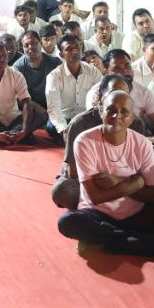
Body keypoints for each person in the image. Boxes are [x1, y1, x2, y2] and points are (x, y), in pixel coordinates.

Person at [58, 91, 154, 257]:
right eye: (110, 110)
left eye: (124, 112)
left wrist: (117, 180)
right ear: (101, 111)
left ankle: (109, 240)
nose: (116, 116)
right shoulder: (85, 141)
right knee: (67, 222)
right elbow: (95, 197)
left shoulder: (142, 144)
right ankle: (130, 241)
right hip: (97, 213)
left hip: (136, 213)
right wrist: (136, 183)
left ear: (132, 117)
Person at [53, 75, 133, 210]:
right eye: (114, 93)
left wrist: (118, 180)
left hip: (118, 179)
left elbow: (137, 170)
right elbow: (74, 170)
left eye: (124, 94)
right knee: (64, 191)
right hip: (87, 179)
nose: (119, 98)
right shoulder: (80, 123)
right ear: (100, 97)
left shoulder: (134, 123)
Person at [0, 42, 49, 150]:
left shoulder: (16, 75)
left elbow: (26, 102)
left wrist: (24, 129)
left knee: (42, 115)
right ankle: (13, 136)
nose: (1, 60)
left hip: (13, 119)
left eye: (4, 55)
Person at [46, 33, 102, 144]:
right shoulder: (54, 76)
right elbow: (54, 108)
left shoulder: (93, 71)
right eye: (69, 49)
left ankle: (76, 137)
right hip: (65, 117)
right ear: (61, 55)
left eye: (77, 47)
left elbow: (101, 97)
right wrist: (63, 129)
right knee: (51, 126)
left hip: (86, 117)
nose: (75, 51)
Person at [13, 30, 63, 113]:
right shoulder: (18, 67)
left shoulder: (55, 62)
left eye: (34, 43)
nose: (31, 47)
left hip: (56, 105)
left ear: (41, 43)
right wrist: (44, 112)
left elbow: (63, 88)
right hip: (32, 109)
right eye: (26, 45)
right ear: (22, 48)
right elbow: (20, 97)